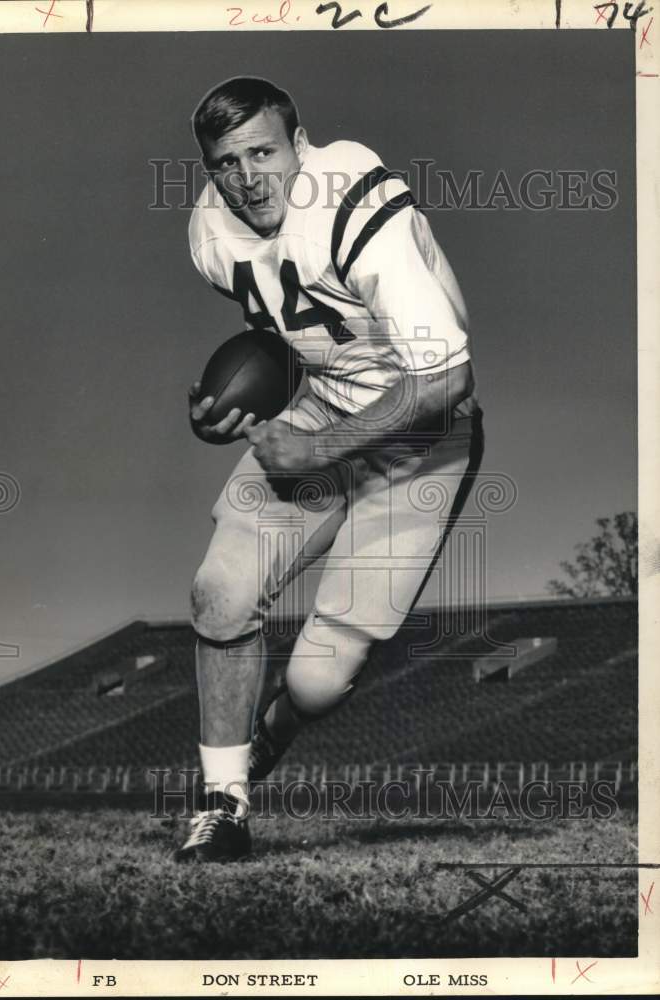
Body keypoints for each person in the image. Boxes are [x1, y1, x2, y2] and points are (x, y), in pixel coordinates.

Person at [176, 76, 483, 861]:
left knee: (317, 681)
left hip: (424, 437)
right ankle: (221, 802)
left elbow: (443, 379)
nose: (246, 180)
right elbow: (288, 336)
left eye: (262, 154)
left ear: (299, 145)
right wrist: (232, 405)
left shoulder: (353, 201)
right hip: (324, 406)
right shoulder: (211, 234)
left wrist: (314, 450)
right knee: (219, 593)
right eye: (224, 163)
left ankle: (266, 742)